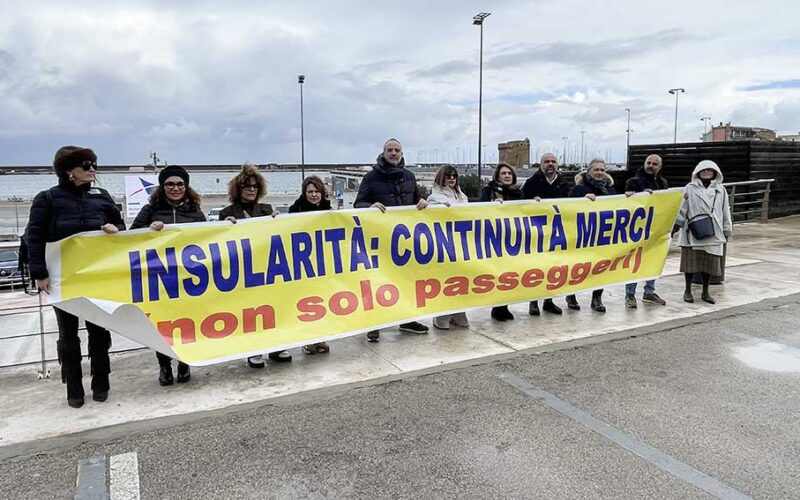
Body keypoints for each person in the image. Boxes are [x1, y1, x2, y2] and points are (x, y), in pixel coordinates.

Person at [25, 146, 125, 408]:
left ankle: (101, 381)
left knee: (98, 330)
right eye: (85, 165)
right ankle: (74, 387)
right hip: (62, 278)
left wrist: (113, 229)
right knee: (68, 335)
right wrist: (39, 273)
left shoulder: (102, 196)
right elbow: (34, 237)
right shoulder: (47, 198)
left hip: (96, 278)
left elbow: (123, 230)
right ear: (69, 170)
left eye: (94, 164)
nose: (92, 169)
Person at [131, 165, 206, 386]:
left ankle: (184, 362)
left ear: (186, 186)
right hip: (159, 279)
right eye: (170, 184)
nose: (175, 188)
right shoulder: (149, 210)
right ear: (162, 187)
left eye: (180, 184)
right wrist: (148, 229)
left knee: (186, 322)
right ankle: (164, 365)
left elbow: (209, 238)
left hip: (188, 279)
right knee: (162, 325)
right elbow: (130, 238)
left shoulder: (195, 212)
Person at [354, 138, 429, 342]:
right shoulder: (370, 177)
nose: (394, 153)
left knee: (406, 281)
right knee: (377, 281)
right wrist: (368, 207)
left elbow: (416, 200)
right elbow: (358, 203)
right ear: (383, 153)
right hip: (379, 241)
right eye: (390, 150)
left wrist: (421, 201)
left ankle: (407, 320)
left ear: (402, 154)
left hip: (404, 242)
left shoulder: (409, 176)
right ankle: (374, 324)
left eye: (397, 150)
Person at [219, 163, 293, 368]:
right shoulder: (226, 212)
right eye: (247, 186)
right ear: (238, 189)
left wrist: (280, 221)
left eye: (254, 187)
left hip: (268, 268)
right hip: (243, 270)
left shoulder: (267, 210)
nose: (251, 190)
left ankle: (276, 347)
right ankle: (253, 349)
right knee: (250, 311)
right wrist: (224, 226)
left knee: (273, 309)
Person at [673, 160, 732, 304]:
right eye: (703, 170)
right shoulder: (690, 188)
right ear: (698, 172)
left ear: (715, 173)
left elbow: (725, 210)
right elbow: (683, 207)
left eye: (709, 170)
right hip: (692, 229)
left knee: (710, 264)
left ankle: (706, 292)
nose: (706, 172)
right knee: (690, 264)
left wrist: (727, 229)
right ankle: (687, 290)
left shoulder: (720, 190)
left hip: (714, 230)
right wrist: (677, 225)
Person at [288, 175, 334, 353]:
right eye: (310, 192)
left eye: (317, 191)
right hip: (303, 263)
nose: (314, 195)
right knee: (306, 304)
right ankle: (308, 340)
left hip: (321, 263)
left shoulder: (327, 209)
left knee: (321, 302)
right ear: (304, 193)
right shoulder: (295, 209)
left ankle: (319, 338)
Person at [521, 153, 569, 316]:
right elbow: (520, 206)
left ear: (558, 164)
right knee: (536, 268)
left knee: (553, 267)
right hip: (537, 234)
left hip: (557, 234)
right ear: (541, 164)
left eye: (553, 161)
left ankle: (549, 300)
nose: (550, 164)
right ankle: (533, 302)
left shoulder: (563, 184)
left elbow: (574, 204)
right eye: (546, 161)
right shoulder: (530, 183)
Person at [566, 159, 616, 313]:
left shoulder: (610, 190)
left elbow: (621, 206)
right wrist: (583, 200)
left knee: (601, 267)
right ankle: (571, 295)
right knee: (575, 266)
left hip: (602, 236)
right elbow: (567, 208)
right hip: (581, 236)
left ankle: (597, 298)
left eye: (602, 170)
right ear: (588, 171)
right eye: (596, 170)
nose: (600, 173)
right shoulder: (578, 189)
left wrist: (632, 197)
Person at [426, 165, 470, 330]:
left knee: (461, 279)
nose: (451, 178)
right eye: (448, 176)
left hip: (462, 244)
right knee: (446, 280)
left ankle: (459, 312)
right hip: (443, 244)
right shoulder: (434, 197)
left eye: (454, 176)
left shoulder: (463, 197)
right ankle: (441, 314)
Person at [623, 154, 669, 308]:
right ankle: (630, 294)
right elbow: (627, 204)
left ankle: (649, 291)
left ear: (659, 167)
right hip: (636, 231)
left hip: (655, 230)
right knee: (634, 262)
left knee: (653, 260)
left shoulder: (662, 183)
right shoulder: (633, 182)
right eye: (648, 162)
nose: (651, 165)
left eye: (655, 163)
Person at [479, 162, 522, 321]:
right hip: (494, 240)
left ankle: (504, 306)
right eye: (504, 173)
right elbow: (478, 210)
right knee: (496, 274)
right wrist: (492, 206)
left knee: (509, 275)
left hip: (513, 239)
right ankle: (497, 307)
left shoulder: (518, 193)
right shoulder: (488, 191)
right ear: (497, 176)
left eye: (509, 174)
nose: (507, 176)